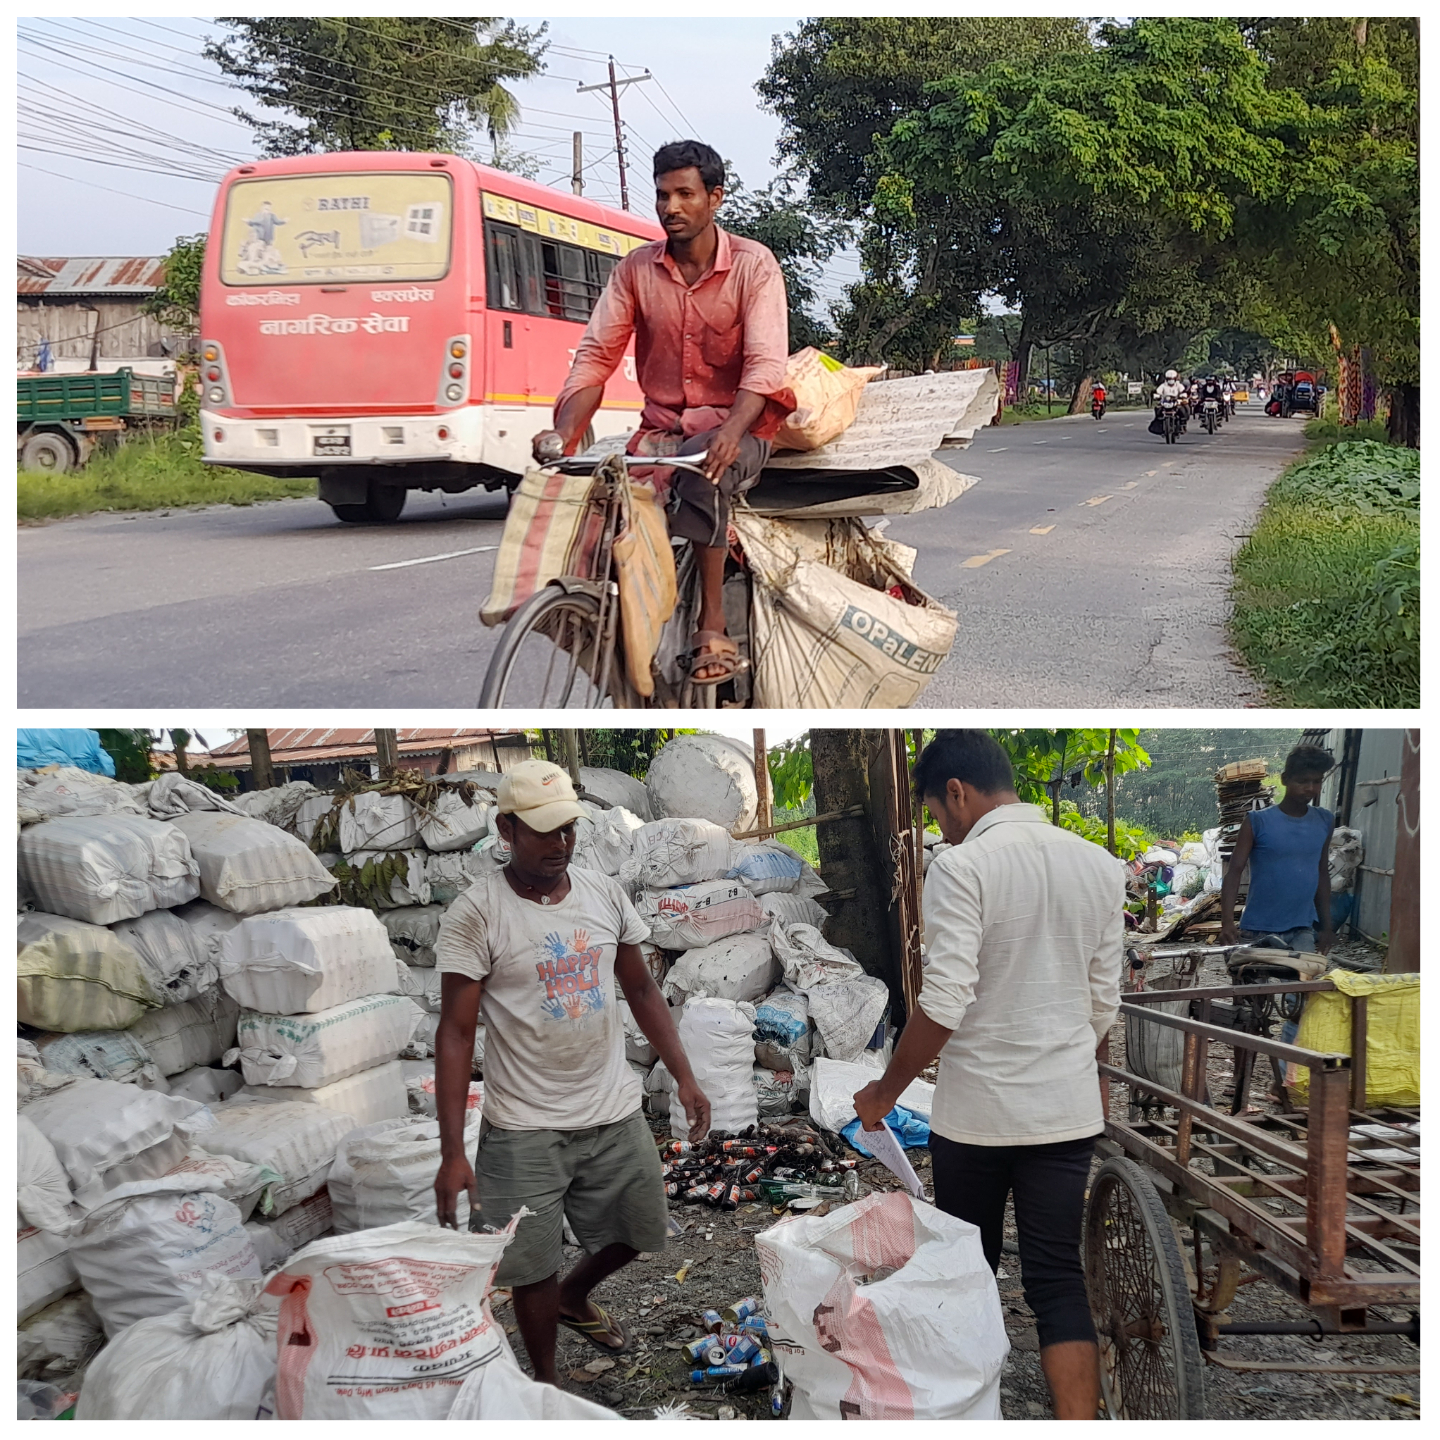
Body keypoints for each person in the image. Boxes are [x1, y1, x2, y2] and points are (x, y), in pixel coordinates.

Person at [852, 731, 1125, 1420]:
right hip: (1063, 1116)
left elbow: (945, 1002)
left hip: (976, 1119)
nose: (941, 830)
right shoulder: (1098, 864)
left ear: (957, 792)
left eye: (939, 816)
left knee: (966, 1274)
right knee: (1059, 1283)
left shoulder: (963, 867)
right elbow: (1102, 1003)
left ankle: (966, 1414)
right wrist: (1057, 1061)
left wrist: (885, 1092)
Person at [432, 760, 711, 1385]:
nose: (560, 844)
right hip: (524, 1124)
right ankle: (547, 1388)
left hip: (611, 1108)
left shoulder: (600, 893)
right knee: (528, 1266)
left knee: (642, 1227)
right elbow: (454, 1032)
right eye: (543, 831)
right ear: (506, 829)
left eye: (568, 830)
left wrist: (686, 1079)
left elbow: (641, 989)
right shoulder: (477, 914)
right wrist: (454, 1152)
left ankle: (574, 1294)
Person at [533, 139, 796, 685]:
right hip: (660, 430)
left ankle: (712, 625)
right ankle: (614, 623)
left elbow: (766, 369)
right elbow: (595, 360)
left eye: (684, 194)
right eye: (662, 196)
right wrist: (562, 433)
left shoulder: (754, 266)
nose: (670, 207)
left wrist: (729, 431)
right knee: (600, 505)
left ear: (715, 198)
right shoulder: (635, 271)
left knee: (705, 472)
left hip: (740, 426)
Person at [1219, 744, 1336, 955]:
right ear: (1285, 779)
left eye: (1316, 781)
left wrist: (1327, 927)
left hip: (1302, 929)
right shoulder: (1257, 822)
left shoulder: (1324, 821)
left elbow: (1321, 873)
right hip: (1256, 929)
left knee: (1302, 985)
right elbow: (1234, 871)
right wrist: (1227, 923)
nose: (1310, 788)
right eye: (1302, 781)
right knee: (1252, 987)